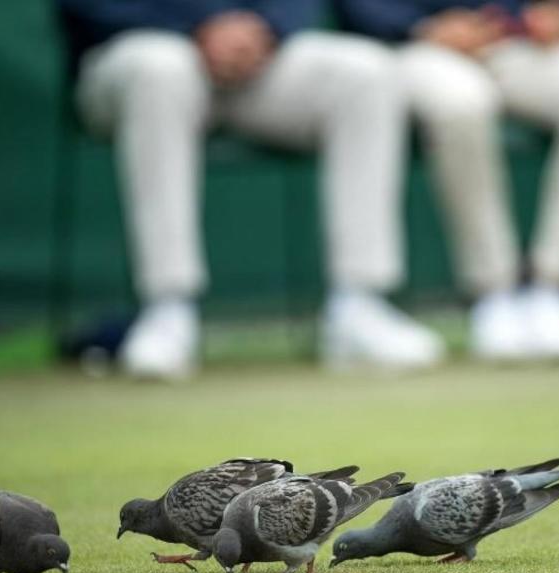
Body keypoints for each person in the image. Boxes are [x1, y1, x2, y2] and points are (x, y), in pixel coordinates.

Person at [58, 0, 444, 379]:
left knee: (367, 71)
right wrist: (200, 26)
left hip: (257, 57)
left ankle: (360, 303)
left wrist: (263, 29)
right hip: (134, 54)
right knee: (160, 67)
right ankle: (167, 310)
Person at [334, 0, 559, 362]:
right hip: (418, 50)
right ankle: (493, 292)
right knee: (462, 104)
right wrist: (421, 27)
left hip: (517, 47)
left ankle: (555, 289)